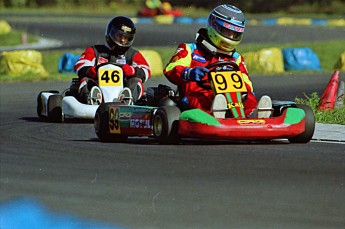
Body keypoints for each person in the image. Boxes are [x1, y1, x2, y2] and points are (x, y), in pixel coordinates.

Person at [163, 4, 272, 118]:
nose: (230, 36)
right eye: (226, 31)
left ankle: (253, 115)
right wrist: (189, 72)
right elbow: (170, 68)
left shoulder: (236, 58)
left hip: (231, 99)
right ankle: (214, 115)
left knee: (247, 95)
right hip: (198, 95)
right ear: (214, 26)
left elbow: (247, 84)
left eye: (235, 34)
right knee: (200, 96)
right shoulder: (189, 49)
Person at [74, 16, 151, 105]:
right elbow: (80, 65)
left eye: (126, 37)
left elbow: (146, 70)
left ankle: (127, 100)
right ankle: (92, 99)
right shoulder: (95, 51)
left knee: (136, 81)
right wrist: (90, 71)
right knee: (85, 80)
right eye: (119, 36)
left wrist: (132, 70)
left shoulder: (132, 54)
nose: (122, 40)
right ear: (111, 33)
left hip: (123, 88)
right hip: (97, 86)